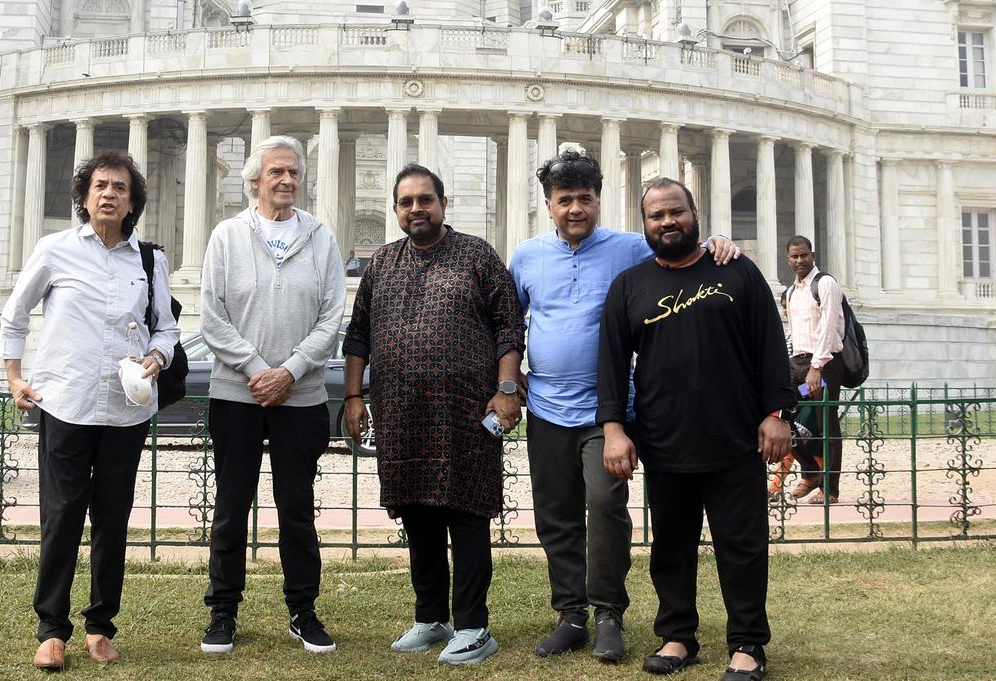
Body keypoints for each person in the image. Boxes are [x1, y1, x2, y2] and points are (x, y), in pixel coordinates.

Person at [509, 148, 739, 660]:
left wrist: (720, 241)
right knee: (556, 515)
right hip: (546, 408)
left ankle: (608, 612)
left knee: (607, 507)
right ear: (548, 205)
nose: (575, 209)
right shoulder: (525, 257)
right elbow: (511, 324)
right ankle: (570, 615)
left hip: (610, 413)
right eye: (564, 200)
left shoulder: (630, 249)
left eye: (585, 199)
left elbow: (681, 255)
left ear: (598, 201)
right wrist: (511, 377)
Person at [599, 179, 795, 681]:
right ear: (644, 224)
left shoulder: (736, 272)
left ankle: (748, 644)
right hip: (664, 442)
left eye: (676, 212)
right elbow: (612, 363)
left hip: (735, 439)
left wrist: (777, 413)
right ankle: (678, 635)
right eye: (657, 215)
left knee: (742, 546)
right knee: (670, 546)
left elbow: (771, 345)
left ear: (695, 213)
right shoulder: (630, 286)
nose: (668, 222)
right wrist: (615, 430)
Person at [0, 149, 180, 671]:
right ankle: (52, 629)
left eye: (119, 188)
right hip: (66, 402)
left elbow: (166, 327)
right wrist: (13, 376)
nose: (108, 194)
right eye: (100, 185)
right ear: (83, 196)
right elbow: (15, 314)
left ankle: (101, 625)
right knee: (61, 518)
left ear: (132, 202)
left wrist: (156, 355)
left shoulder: (149, 260)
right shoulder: (55, 250)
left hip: (125, 408)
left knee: (113, 520)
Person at [343, 164, 523, 666]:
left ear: (444, 204)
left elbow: (509, 326)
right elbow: (357, 336)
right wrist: (355, 397)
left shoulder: (477, 257)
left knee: (466, 518)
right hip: (402, 415)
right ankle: (430, 618)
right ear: (396, 209)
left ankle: (473, 627)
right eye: (406, 202)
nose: (416, 209)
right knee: (418, 516)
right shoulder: (380, 264)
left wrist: (507, 390)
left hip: (466, 414)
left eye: (425, 199)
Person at [199, 135, 346, 655]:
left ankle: (303, 611)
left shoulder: (321, 237)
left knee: (297, 508)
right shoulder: (226, 235)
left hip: (301, 397)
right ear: (254, 180)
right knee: (231, 506)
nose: (286, 181)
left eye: (293, 173)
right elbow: (212, 317)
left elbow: (332, 316)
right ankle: (222, 612)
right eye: (276, 173)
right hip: (237, 395)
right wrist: (261, 370)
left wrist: (292, 370)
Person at [781, 236, 846, 505]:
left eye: (804, 255)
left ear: (813, 255)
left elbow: (829, 328)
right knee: (782, 414)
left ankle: (830, 488)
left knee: (826, 424)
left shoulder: (826, 284)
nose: (799, 261)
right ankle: (811, 471)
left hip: (824, 368)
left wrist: (816, 368)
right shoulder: (791, 292)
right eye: (794, 257)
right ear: (788, 259)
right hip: (798, 366)